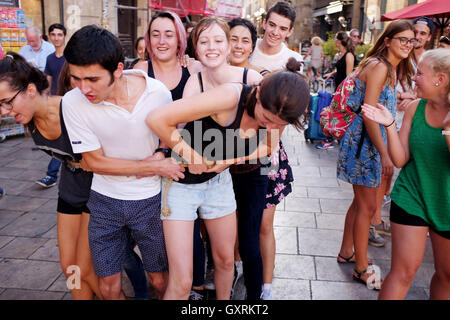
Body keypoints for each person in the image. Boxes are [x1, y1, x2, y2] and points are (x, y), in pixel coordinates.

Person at [147, 55, 309, 301]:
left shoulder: (281, 111)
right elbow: (157, 119)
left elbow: (267, 147)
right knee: (183, 282)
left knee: (225, 263)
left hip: (219, 183)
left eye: (278, 124)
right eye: (266, 118)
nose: (270, 126)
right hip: (181, 184)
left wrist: (227, 161)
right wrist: (189, 154)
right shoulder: (230, 97)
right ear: (259, 91)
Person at [61, 25, 185, 300]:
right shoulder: (72, 103)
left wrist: (162, 152)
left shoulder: (158, 93)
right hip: (104, 202)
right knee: (108, 287)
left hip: (151, 201)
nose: (83, 88)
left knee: (160, 280)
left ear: (117, 69)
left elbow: (169, 131)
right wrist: (153, 166)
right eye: (76, 78)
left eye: (92, 79)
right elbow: (95, 163)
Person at [362, 48, 450, 300]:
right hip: (412, 196)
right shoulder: (414, 109)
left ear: (440, 79)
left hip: (447, 202)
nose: (413, 79)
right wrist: (389, 124)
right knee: (403, 272)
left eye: (419, 73)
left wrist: (448, 129)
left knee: (446, 275)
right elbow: (400, 159)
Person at [336, 20, 416, 290]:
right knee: (368, 208)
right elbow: (370, 116)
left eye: (411, 40)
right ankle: (360, 267)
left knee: (360, 203)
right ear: (387, 41)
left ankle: (347, 251)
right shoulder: (381, 67)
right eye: (402, 39)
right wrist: (384, 154)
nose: (408, 44)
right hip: (366, 144)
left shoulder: (387, 67)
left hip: (367, 142)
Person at [134, 10, 204, 300]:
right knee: (154, 230)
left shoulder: (195, 69)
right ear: (148, 40)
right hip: (151, 163)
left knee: (192, 228)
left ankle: (195, 287)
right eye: (155, 34)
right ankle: (165, 282)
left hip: (187, 161)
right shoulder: (139, 70)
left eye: (168, 34)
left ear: (180, 38)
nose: (161, 40)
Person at [228, 17, 295, 300]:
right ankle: (238, 269)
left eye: (244, 40)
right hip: (228, 157)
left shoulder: (260, 76)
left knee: (262, 224)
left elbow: (273, 135)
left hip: (263, 157)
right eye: (233, 39)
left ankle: (264, 285)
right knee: (232, 223)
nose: (239, 45)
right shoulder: (212, 70)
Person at [35, 23, 68, 189]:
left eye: (60, 34)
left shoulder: (70, 58)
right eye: (53, 34)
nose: (56, 37)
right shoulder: (50, 59)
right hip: (54, 103)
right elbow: (48, 82)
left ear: (64, 37)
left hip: (68, 103)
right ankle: (54, 174)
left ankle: (51, 175)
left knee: (61, 138)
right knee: (60, 138)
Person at [320, 31, 357, 150]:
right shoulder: (340, 54)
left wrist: (343, 93)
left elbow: (349, 76)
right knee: (335, 112)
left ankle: (338, 137)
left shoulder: (349, 55)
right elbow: (340, 69)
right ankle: (333, 135)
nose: (334, 41)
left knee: (339, 112)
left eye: (335, 38)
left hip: (344, 90)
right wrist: (331, 73)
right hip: (338, 87)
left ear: (339, 41)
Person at [249, 2, 303, 74]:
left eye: (283, 29)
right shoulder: (247, 47)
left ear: (290, 32)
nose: (275, 32)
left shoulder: (295, 59)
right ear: (264, 24)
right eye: (272, 25)